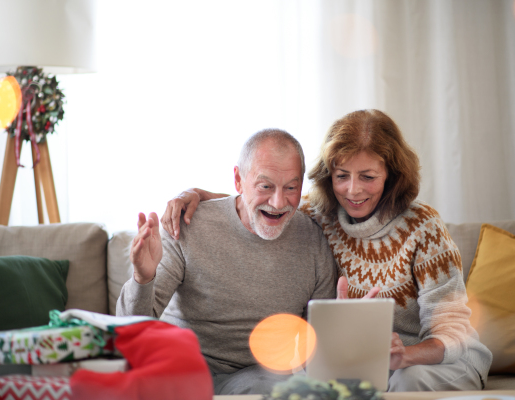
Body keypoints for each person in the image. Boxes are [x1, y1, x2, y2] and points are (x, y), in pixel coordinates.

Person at [162, 109, 493, 392]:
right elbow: (263, 198)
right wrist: (194, 193)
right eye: (342, 176)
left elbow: (452, 330)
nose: (353, 190)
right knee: (305, 379)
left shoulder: (424, 226)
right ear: (328, 176)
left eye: (368, 177)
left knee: (406, 381)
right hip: (365, 360)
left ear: (391, 175)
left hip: (437, 359)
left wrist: (405, 355)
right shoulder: (320, 214)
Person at [117, 129, 341, 396]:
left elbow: (319, 348)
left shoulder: (315, 240)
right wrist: (143, 278)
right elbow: (129, 330)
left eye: (290, 187)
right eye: (265, 186)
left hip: (261, 378)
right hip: (184, 367)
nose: (278, 202)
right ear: (238, 180)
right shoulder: (188, 225)